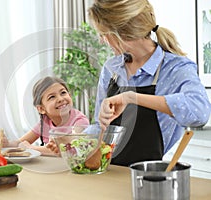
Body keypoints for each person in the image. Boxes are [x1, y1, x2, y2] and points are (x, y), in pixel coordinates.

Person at [85, 0, 211, 166]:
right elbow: (100, 126)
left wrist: (132, 98)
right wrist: (74, 143)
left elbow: (200, 112)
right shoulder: (112, 68)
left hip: (147, 176)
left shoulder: (175, 68)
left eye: (103, 34)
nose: (102, 41)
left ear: (123, 33)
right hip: (109, 171)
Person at [0, 76, 90, 156]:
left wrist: (31, 148)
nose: (60, 99)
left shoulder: (80, 121)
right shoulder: (44, 123)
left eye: (63, 93)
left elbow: (68, 150)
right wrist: (6, 143)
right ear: (41, 109)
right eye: (52, 97)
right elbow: (20, 143)